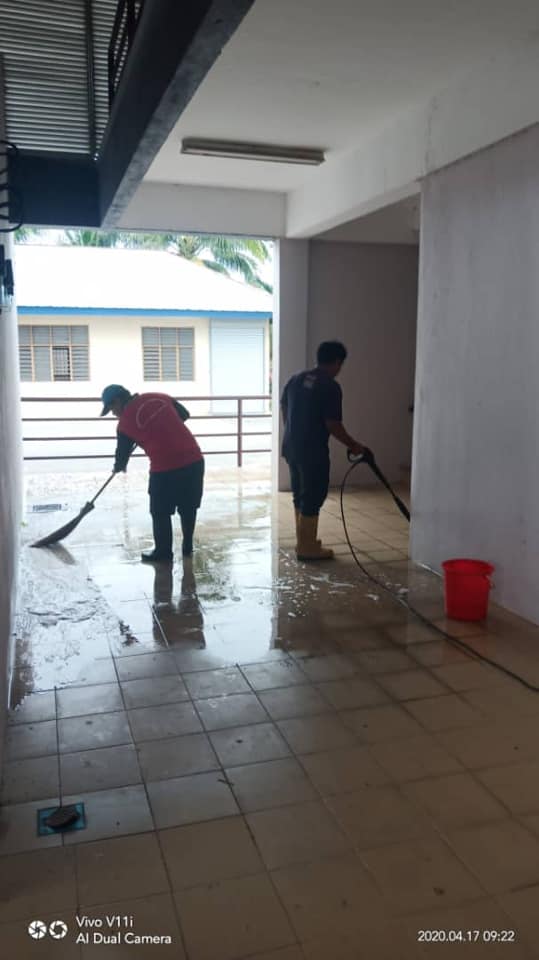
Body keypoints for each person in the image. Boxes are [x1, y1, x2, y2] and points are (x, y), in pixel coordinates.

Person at [281, 340, 370, 561]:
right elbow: (333, 424)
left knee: (300, 493)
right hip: (312, 451)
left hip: (291, 446)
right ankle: (307, 547)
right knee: (313, 494)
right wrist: (354, 445)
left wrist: (293, 429)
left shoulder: (296, 379)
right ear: (337, 361)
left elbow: (284, 406)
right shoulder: (330, 386)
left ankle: (304, 541)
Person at [100, 384, 204, 564]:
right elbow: (184, 414)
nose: (114, 414)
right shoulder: (159, 396)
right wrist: (163, 426)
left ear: (117, 401)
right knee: (188, 507)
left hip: (165, 468)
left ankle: (163, 552)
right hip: (193, 460)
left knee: (160, 512)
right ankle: (187, 546)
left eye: (112, 409)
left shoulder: (124, 424)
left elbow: (122, 456)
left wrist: (118, 466)